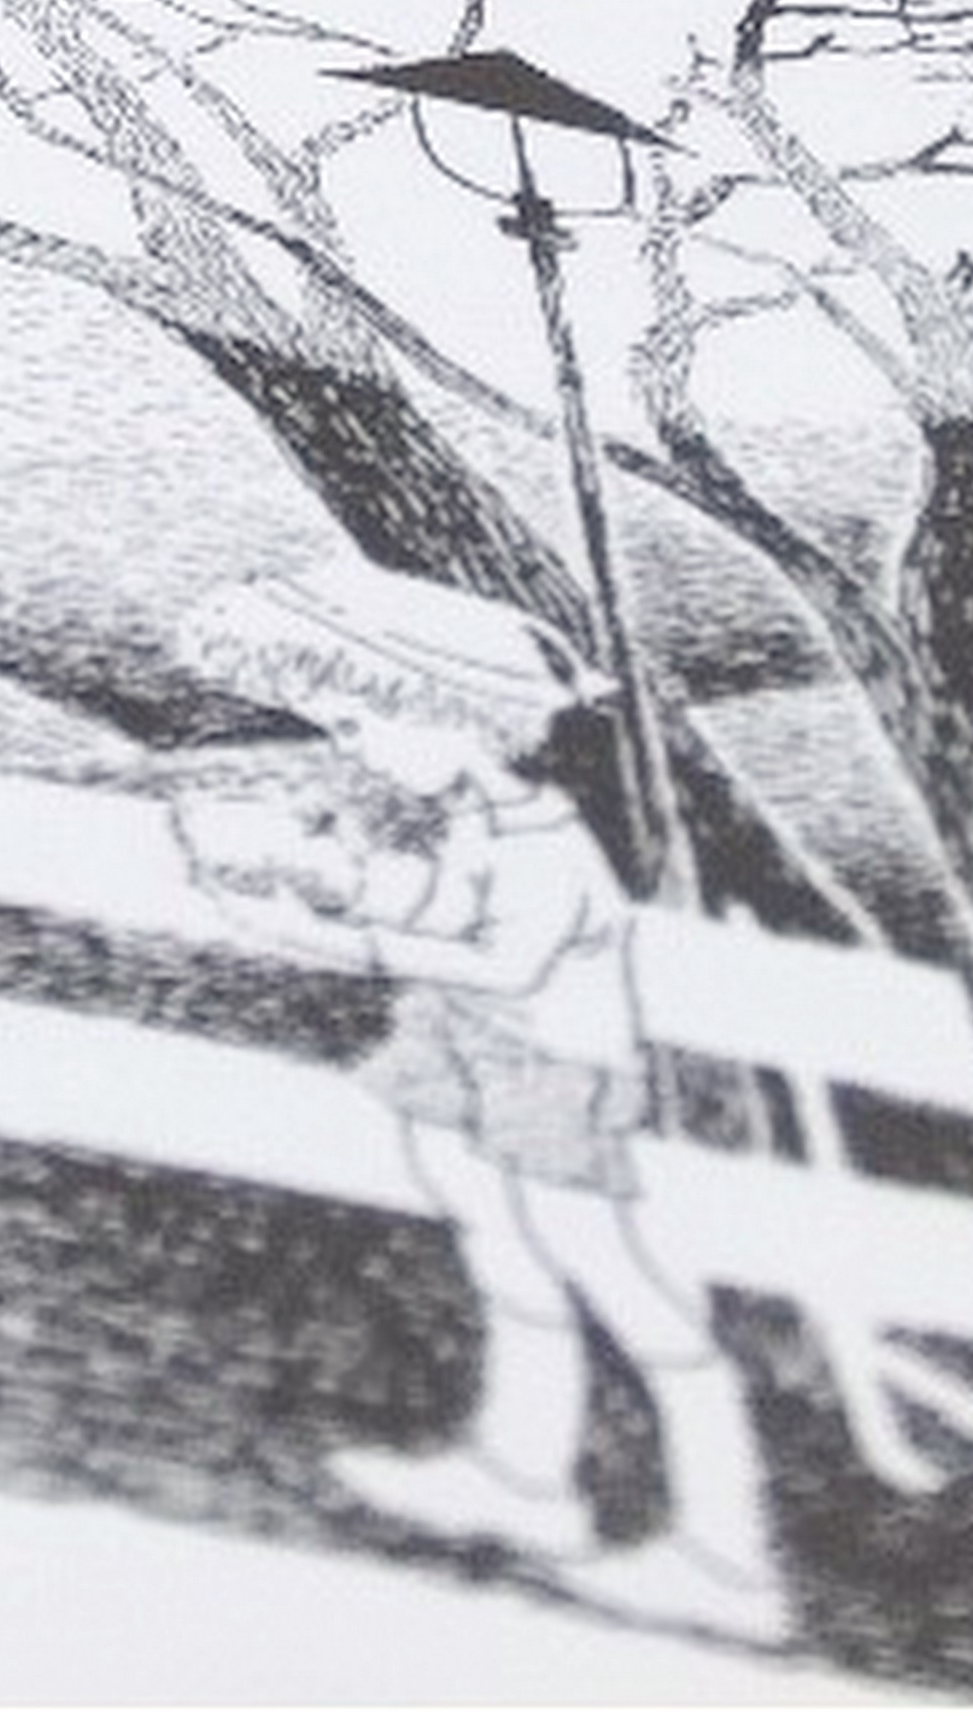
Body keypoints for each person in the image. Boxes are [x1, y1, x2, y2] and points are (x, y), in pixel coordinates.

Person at [171, 571, 787, 1648]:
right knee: (504, 1254)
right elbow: (451, 901)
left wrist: (326, 934)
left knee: (620, 1283)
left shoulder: (550, 846)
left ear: (451, 715)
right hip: (473, 1047)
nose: (355, 746)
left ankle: (727, 1553)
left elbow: (503, 956)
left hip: (548, 1069)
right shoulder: (484, 819)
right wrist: (321, 871)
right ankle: (523, 1471)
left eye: (362, 722)